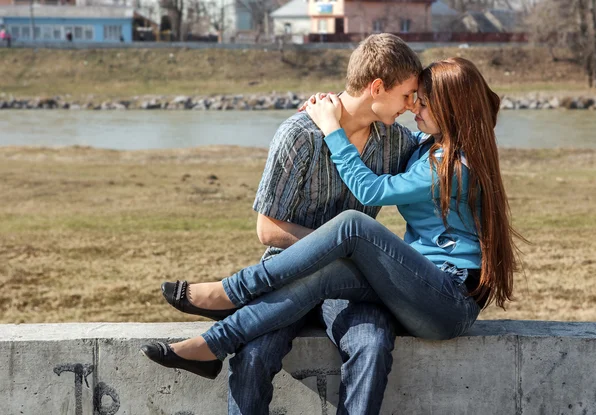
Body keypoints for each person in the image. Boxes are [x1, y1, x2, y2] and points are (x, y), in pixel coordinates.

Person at [142, 57, 522, 403]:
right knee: (328, 273)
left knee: (353, 227)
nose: (412, 107)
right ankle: (213, 345)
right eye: (412, 97)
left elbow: (372, 190)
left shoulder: (455, 165)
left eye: (422, 101)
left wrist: (330, 129)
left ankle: (232, 290)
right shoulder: (425, 146)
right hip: (418, 290)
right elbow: (379, 131)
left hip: (448, 299)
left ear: (451, 108)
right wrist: (334, 111)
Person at [156, 33, 422, 414]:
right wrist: (333, 250)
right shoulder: (299, 135)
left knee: (373, 344)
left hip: (351, 286)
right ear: (377, 87)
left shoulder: (398, 142)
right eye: (407, 95)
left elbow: (442, 149)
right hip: (285, 272)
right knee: (252, 355)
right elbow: (267, 229)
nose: (411, 106)